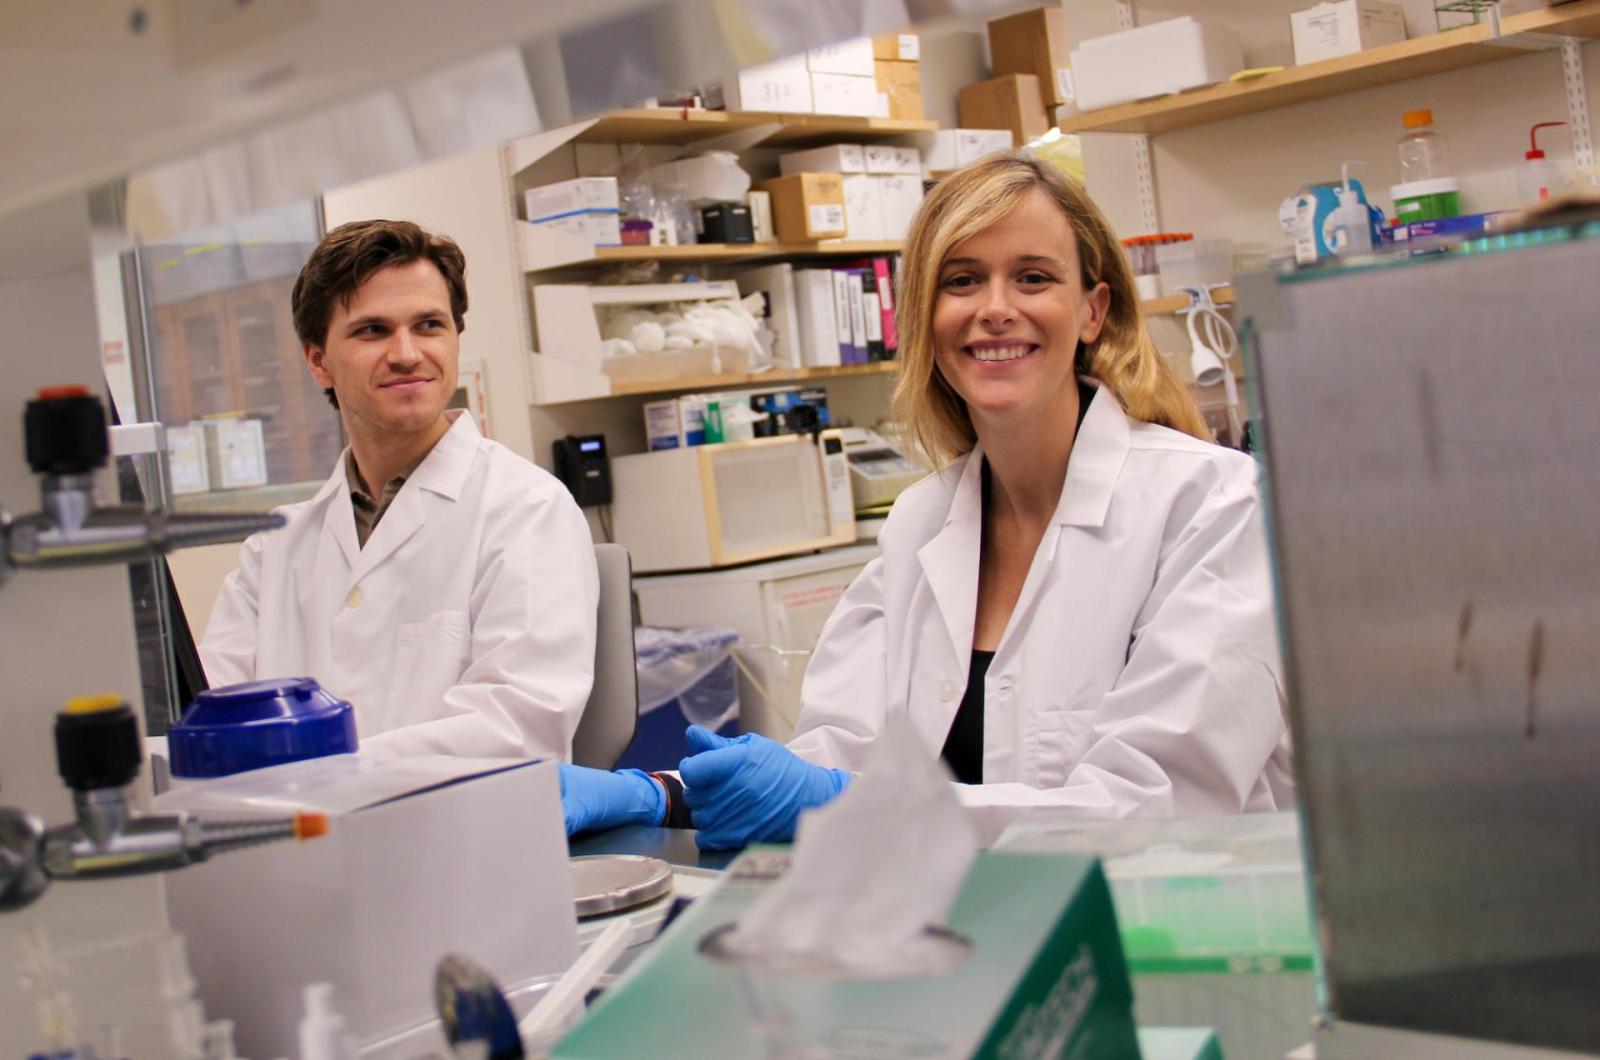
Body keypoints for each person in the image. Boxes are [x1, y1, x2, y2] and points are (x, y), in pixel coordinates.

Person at [559, 152, 1293, 846]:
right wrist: (667, 794)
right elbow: (837, 756)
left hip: (1177, 942)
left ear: (1093, 311)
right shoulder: (920, 523)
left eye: (1033, 277)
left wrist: (843, 801)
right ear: (923, 318)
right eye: (962, 280)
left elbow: (1159, 803)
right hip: (969, 933)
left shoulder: (1212, 506)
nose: (996, 309)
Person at [200, 219, 598, 759]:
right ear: (318, 361)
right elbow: (213, 718)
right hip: (305, 834)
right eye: (373, 330)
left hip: (464, 835)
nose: (407, 353)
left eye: (429, 325)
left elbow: (517, 728)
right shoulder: (273, 551)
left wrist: (325, 769)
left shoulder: (527, 510)